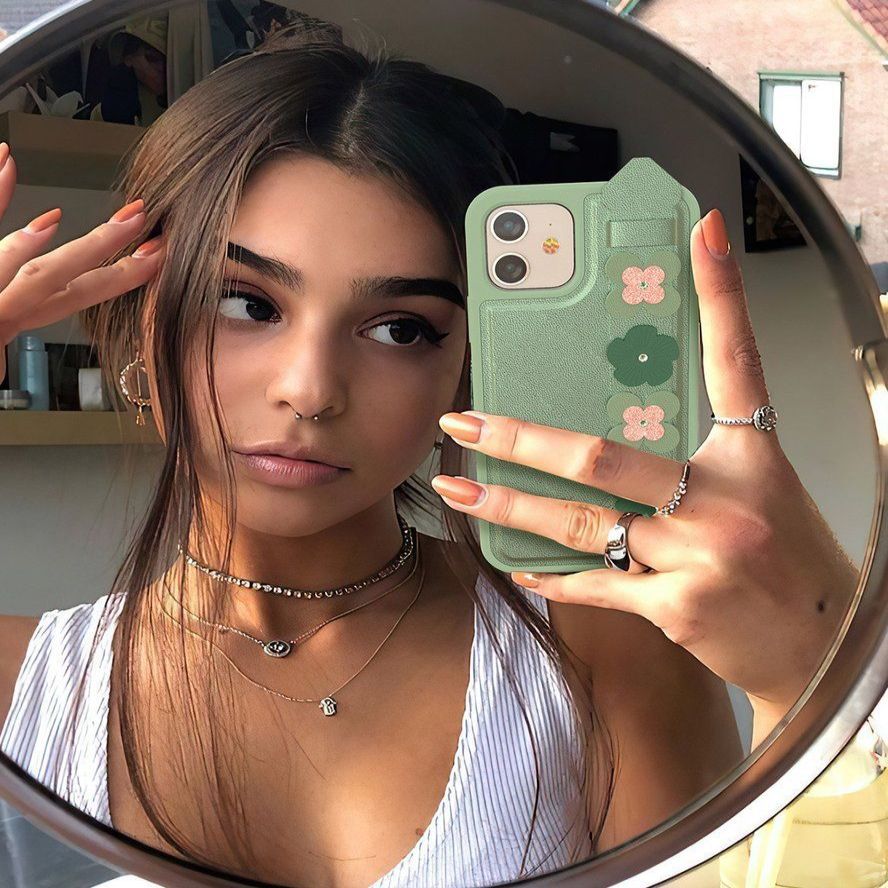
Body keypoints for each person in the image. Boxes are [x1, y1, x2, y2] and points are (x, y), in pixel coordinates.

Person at [0, 24, 857, 888]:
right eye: (247, 304)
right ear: (137, 317)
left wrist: (817, 680)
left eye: (400, 328)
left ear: (465, 364)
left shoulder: (603, 643)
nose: (311, 389)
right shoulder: (18, 691)